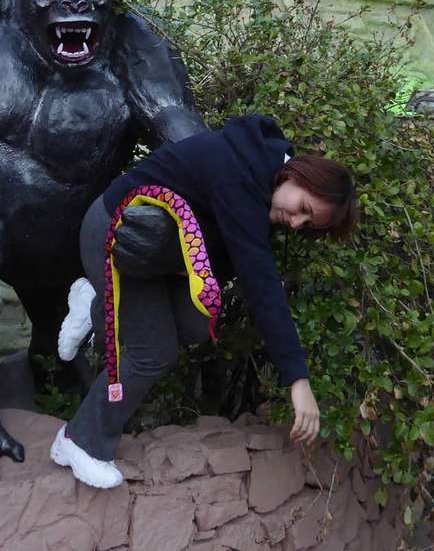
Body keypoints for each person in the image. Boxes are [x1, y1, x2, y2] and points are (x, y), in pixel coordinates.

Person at [50, 114, 358, 488]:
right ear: (299, 176)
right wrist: (297, 378)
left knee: (197, 322)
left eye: (307, 225)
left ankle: (98, 302)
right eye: (304, 209)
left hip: (155, 257)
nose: (295, 224)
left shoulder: (262, 179)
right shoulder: (240, 177)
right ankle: (80, 440)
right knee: (153, 351)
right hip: (116, 236)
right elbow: (261, 285)